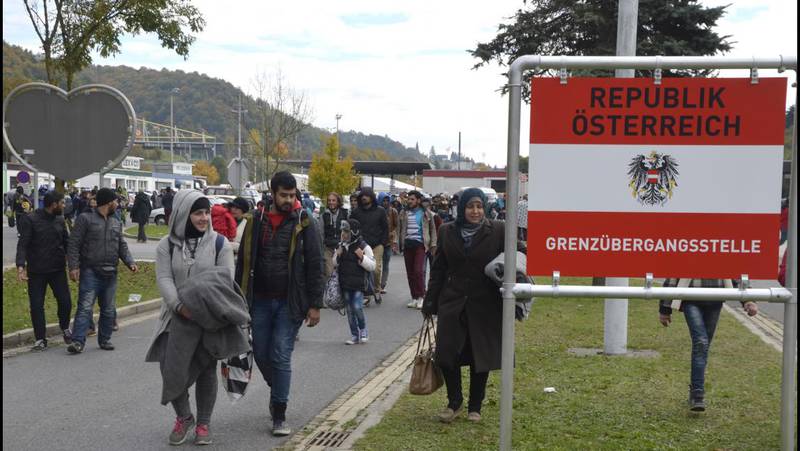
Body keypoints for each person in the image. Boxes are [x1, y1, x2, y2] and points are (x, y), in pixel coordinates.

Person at [145, 190, 243, 446]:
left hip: (207, 318)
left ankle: (203, 423)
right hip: (175, 317)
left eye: (206, 212)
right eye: (198, 213)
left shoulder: (220, 243)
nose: (204, 218)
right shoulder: (166, 245)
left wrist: (199, 308)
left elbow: (225, 281)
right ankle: (184, 417)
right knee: (170, 367)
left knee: (205, 369)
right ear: (183, 214)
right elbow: (164, 278)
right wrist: (178, 305)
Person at [235, 171, 323, 436]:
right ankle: (278, 390)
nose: (288, 200)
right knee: (260, 352)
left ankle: (280, 413)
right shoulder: (256, 220)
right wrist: (239, 300)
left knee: (281, 354)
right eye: (283, 195)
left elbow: (316, 265)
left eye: (292, 195)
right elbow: (243, 262)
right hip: (259, 301)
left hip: (290, 302)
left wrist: (315, 304)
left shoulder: (305, 222)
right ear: (272, 194)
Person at [421, 188, 505, 424]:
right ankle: (454, 403)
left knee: (481, 355)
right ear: (462, 208)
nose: (475, 211)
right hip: (453, 300)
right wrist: (430, 302)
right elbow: (438, 270)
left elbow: (518, 252)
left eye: (479, 206)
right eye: (470, 206)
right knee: (447, 353)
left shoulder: (498, 230)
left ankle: (475, 407)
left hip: (485, 302)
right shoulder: (447, 231)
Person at [659, 279, 758, 411]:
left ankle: (695, 388)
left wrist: (748, 300)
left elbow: (736, 270)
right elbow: (673, 275)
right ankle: (697, 394)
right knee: (701, 343)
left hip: (715, 300)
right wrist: (665, 309)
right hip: (691, 299)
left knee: (703, 346)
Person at [66, 187, 138, 353]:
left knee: (107, 309)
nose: (117, 204)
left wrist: (130, 262)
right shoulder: (85, 219)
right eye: (115, 201)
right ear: (108, 202)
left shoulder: (116, 221)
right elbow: (74, 244)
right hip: (90, 271)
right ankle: (78, 341)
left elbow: (121, 245)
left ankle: (104, 339)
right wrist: (73, 266)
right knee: (85, 307)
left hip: (111, 272)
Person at [16, 190, 73, 351]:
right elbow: (23, 244)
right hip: (36, 271)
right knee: (36, 305)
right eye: (62, 203)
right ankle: (40, 339)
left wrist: (74, 264)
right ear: (53, 204)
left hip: (57, 269)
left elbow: (67, 243)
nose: (64, 206)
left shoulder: (60, 220)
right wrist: (21, 266)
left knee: (65, 302)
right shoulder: (31, 219)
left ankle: (65, 328)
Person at [333, 219, 376, 344]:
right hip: (345, 283)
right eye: (342, 231)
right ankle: (354, 335)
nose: (343, 234)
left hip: (358, 284)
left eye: (346, 231)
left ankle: (363, 330)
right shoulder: (341, 246)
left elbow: (372, 265)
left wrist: (362, 258)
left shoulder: (364, 246)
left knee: (357, 307)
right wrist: (338, 255)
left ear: (354, 232)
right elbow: (334, 263)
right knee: (350, 310)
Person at [397, 190, 437, 309]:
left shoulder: (426, 213)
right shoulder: (403, 212)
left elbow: (433, 230)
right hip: (408, 245)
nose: (409, 201)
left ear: (418, 200)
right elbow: (399, 229)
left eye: (412, 199)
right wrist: (397, 242)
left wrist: (433, 244)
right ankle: (414, 297)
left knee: (418, 271)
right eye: (408, 199)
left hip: (420, 245)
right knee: (410, 273)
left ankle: (421, 297)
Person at [350, 187, 388, 305]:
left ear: (371, 197)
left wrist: (382, 242)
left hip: (377, 245)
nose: (364, 198)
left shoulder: (380, 211)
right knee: (363, 269)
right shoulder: (356, 212)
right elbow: (351, 227)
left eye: (366, 195)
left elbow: (385, 228)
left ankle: (376, 290)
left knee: (375, 270)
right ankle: (366, 293)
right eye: (362, 196)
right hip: (362, 244)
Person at [320, 192, 348, 279]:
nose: (331, 202)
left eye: (333, 200)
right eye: (329, 200)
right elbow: (321, 233)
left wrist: (344, 245)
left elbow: (347, 232)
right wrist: (322, 247)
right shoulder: (324, 215)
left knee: (342, 274)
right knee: (329, 273)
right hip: (328, 248)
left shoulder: (345, 214)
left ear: (338, 202)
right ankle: (329, 292)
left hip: (341, 248)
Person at [379, 193, 399, 294]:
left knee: (385, 264)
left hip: (388, 242)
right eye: (383, 200)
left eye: (387, 200)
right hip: (377, 242)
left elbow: (396, 226)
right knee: (376, 265)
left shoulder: (393, 211)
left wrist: (393, 237)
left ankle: (382, 285)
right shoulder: (376, 211)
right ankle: (375, 284)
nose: (385, 203)